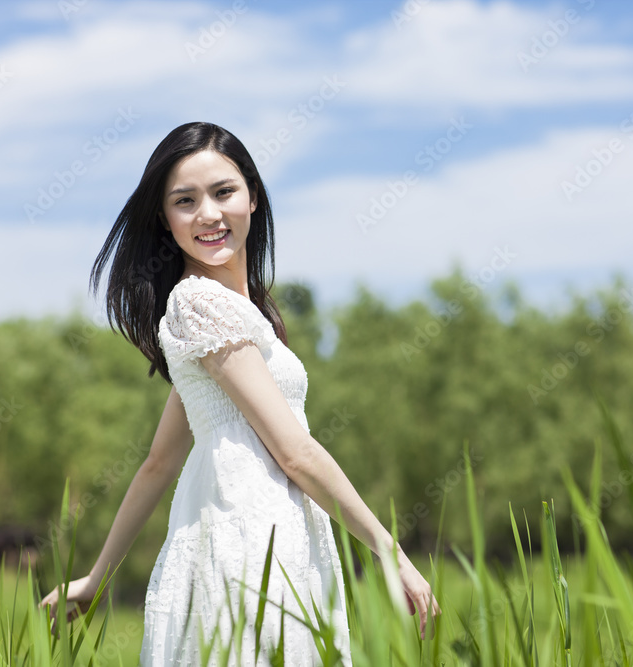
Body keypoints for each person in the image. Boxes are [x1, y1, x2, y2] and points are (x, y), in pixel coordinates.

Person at [37, 121, 441, 665]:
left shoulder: (235, 315)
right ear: (165, 219)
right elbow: (295, 452)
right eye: (186, 200)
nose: (208, 213)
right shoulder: (201, 304)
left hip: (268, 538)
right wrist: (389, 551)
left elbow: (158, 462)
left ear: (252, 195)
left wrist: (96, 578)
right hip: (251, 541)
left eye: (223, 192)